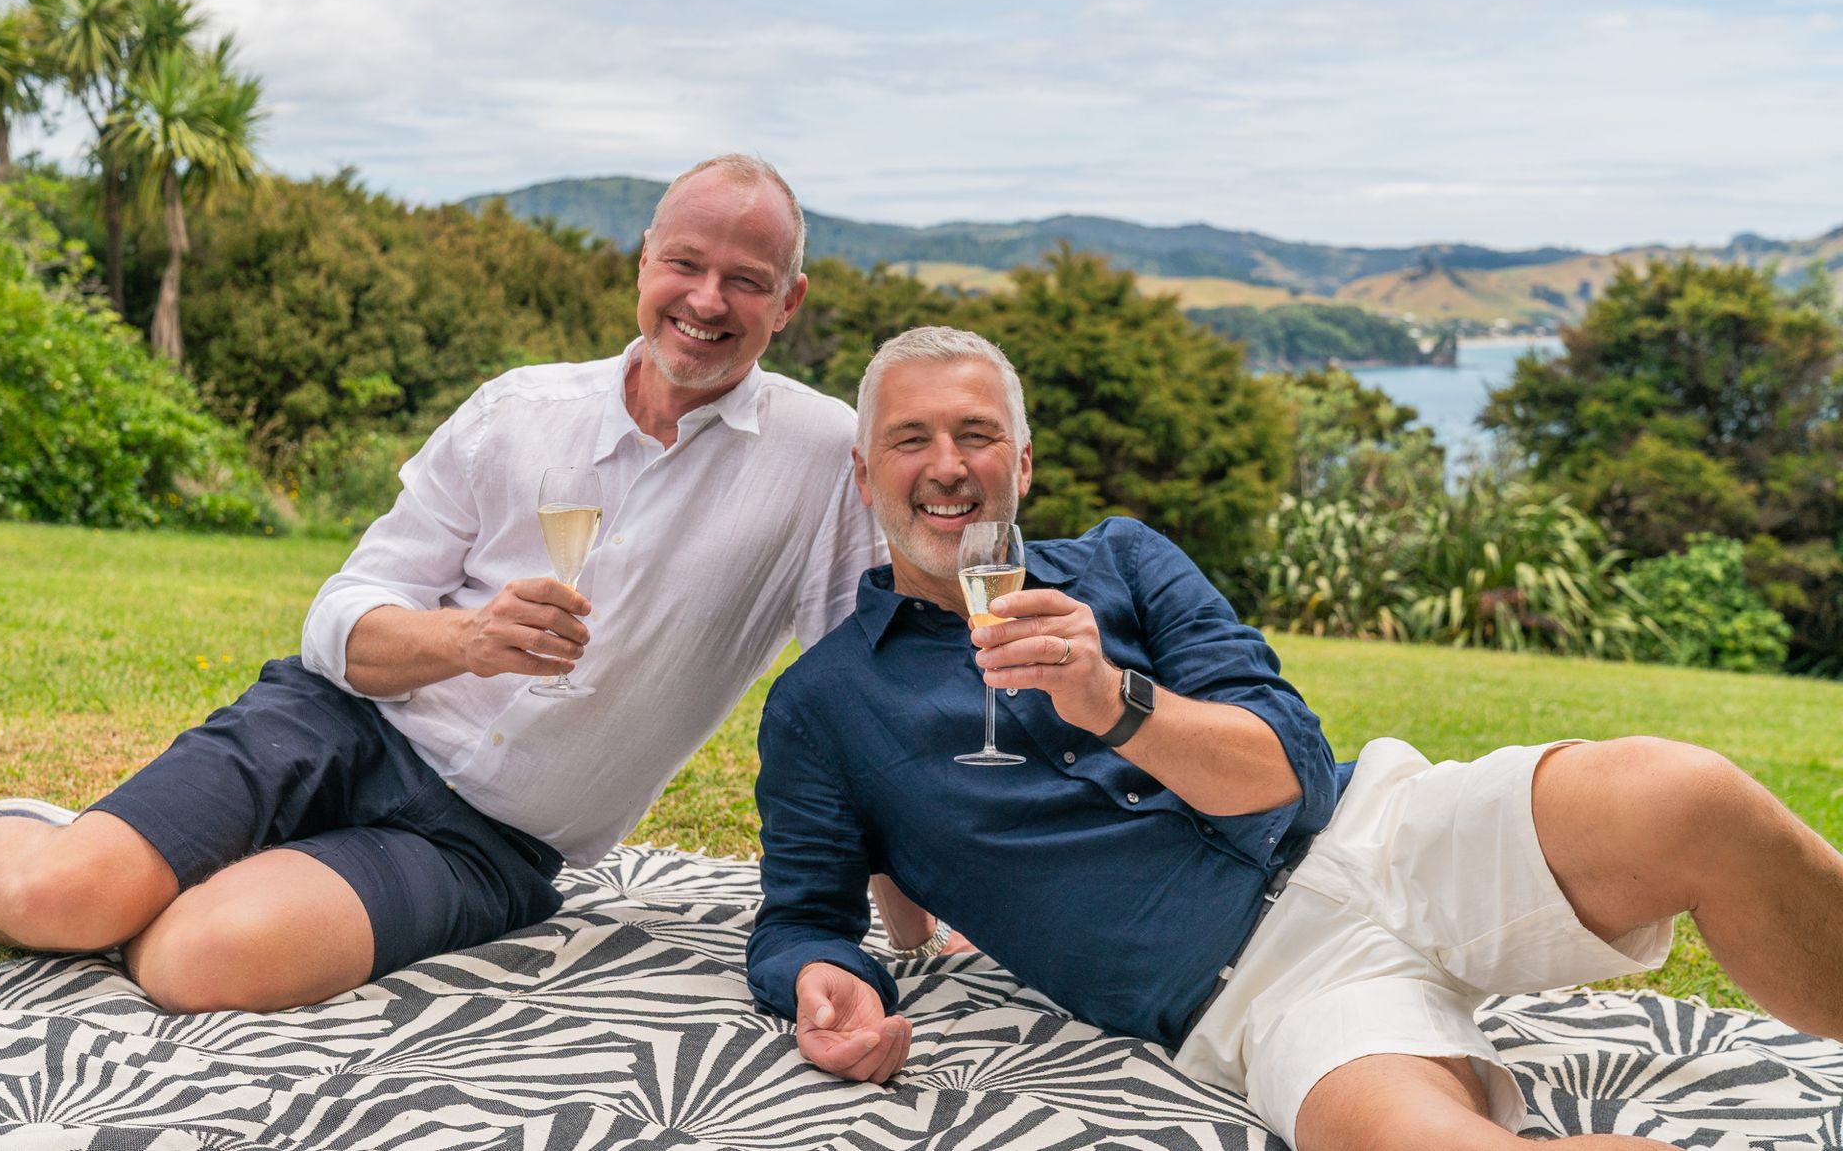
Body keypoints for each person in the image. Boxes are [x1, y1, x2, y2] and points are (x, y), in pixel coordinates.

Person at [746, 325, 1843, 1151]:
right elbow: (804, 916)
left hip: (1387, 835)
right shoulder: (822, 708)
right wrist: (820, 981)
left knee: (1686, 796)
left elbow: (1291, 765)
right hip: (1256, 990)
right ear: (864, 474)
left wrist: (1115, 700)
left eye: (978, 436)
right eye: (911, 440)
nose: (948, 465)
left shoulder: (1127, 563)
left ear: (1021, 465)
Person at [0, 153, 886, 1014]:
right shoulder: (517, 411)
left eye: (745, 281)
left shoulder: (823, 459)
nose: (707, 300)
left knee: (194, 962)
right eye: (686, 264)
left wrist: (922, 896)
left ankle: (167, 871)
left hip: (486, 844)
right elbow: (337, 619)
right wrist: (464, 644)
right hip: (335, 724)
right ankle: (38, 853)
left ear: (789, 302)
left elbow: (859, 694)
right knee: (58, 899)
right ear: (644, 262)